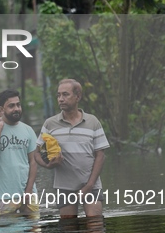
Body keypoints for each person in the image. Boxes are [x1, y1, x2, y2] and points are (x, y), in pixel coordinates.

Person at [34, 79, 110, 219]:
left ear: (78, 96)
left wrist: (89, 185)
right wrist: (47, 165)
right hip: (64, 186)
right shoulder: (50, 124)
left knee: (95, 229)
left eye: (65, 94)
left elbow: (100, 155)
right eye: (58, 95)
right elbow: (36, 153)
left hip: (91, 183)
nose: (61, 99)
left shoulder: (92, 122)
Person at [0, 89, 38, 215]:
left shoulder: (28, 130)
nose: (16, 109)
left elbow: (33, 162)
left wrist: (28, 192)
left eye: (18, 105)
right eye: (11, 106)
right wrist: (0, 128)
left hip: (29, 193)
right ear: (2, 109)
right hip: (5, 195)